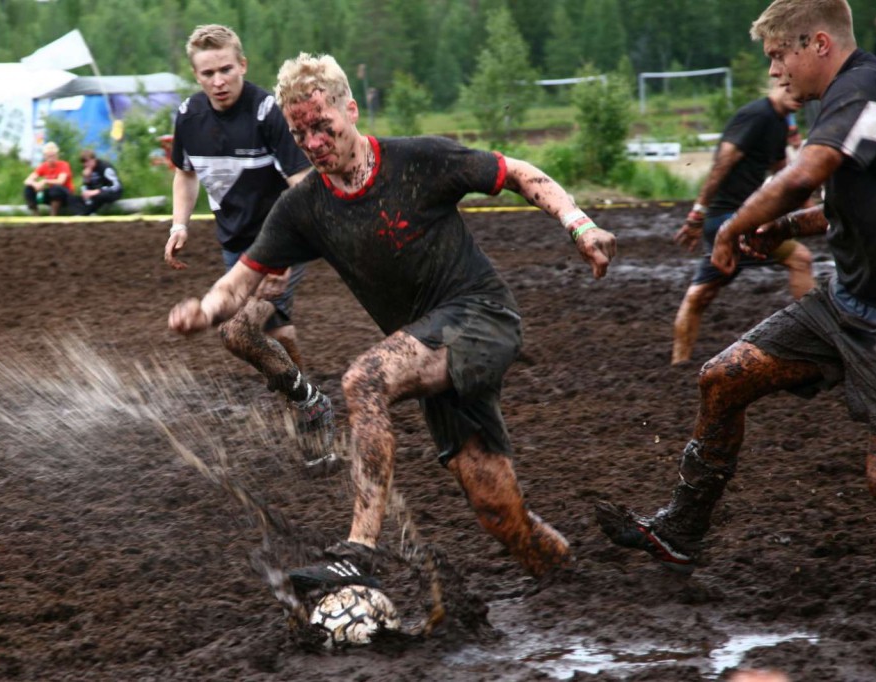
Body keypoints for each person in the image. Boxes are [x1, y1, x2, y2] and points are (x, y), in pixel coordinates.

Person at [168, 52, 617, 590]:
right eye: (299, 132)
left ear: (351, 111)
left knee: (365, 379)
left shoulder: (420, 160)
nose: (312, 143)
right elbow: (240, 279)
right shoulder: (303, 206)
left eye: (323, 127)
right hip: (428, 348)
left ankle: (358, 551)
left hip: (482, 317)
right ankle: (577, 584)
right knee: (498, 515)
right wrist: (207, 309)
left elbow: (517, 172)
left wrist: (580, 226)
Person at [598, 0, 876, 574]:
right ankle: (682, 529)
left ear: (818, 45)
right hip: (841, 304)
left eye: (779, 56)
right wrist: (785, 225)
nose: (775, 72)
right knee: (723, 378)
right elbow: (847, 204)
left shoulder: (866, 89)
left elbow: (804, 174)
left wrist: (732, 226)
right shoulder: (850, 98)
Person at [163, 25, 337, 473]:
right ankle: (312, 409)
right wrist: (179, 224)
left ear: (242, 65)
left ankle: (309, 404)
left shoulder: (266, 113)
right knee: (275, 333)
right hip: (235, 246)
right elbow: (185, 173)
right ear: (195, 75)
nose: (218, 80)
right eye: (207, 73)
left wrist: (285, 252)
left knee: (238, 333)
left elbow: (303, 185)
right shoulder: (188, 116)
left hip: (284, 240)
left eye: (225, 69)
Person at [671, 83, 813, 365]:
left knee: (703, 292)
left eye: (804, 94)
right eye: (795, 90)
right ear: (778, 84)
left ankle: (679, 360)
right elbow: (723, 163)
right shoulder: (756, 115)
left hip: (741, 217)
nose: (800, 97)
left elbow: (781, 171)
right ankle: (816, 338)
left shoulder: (778, 122)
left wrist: (809, 208)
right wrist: (698, 213)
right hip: (729, 218)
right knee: (800, 259)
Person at [23, 142, 73, 216]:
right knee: (28, 188)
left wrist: (45, 181)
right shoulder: (43, 166)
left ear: (57, 155)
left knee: (56, 188)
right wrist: (35, 184)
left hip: (65, 195)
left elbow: (60, 181)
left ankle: (53, 215)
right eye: (49, 156)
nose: (51, 158)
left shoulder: (64, 165)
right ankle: (36, 215)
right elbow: (27, 180)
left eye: (53, 156)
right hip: (51, 195)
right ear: (45, 157)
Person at [71, 149, 122, 215]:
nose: (85, 164)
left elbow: (116, 186)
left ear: (94, 159)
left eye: (87, 161)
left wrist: (97, 191)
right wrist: (86, 179)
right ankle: (89, 212)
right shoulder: (86, 170)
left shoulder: (105, 167)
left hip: (110, 192)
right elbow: (85, 187)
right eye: (83, 162)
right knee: (72, 198)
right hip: (94, 194)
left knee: (99, 196)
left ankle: (85, 213)